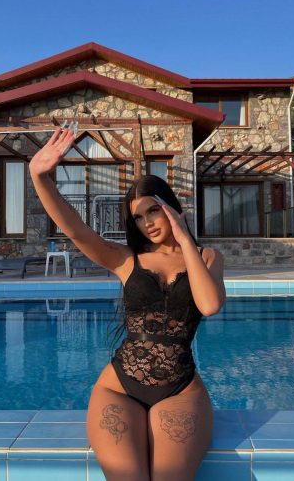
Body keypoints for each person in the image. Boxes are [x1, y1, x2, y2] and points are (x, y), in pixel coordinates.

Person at [29, 124, 226, 481]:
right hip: (119, 388)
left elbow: (209, 305)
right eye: (138, 217)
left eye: (153, 211)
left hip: (179, 390)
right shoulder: (126, 260)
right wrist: (39, 177)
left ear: (170, 207)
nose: (147, 223)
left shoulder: (207, 258)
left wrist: (184, 239)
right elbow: (76, 230)